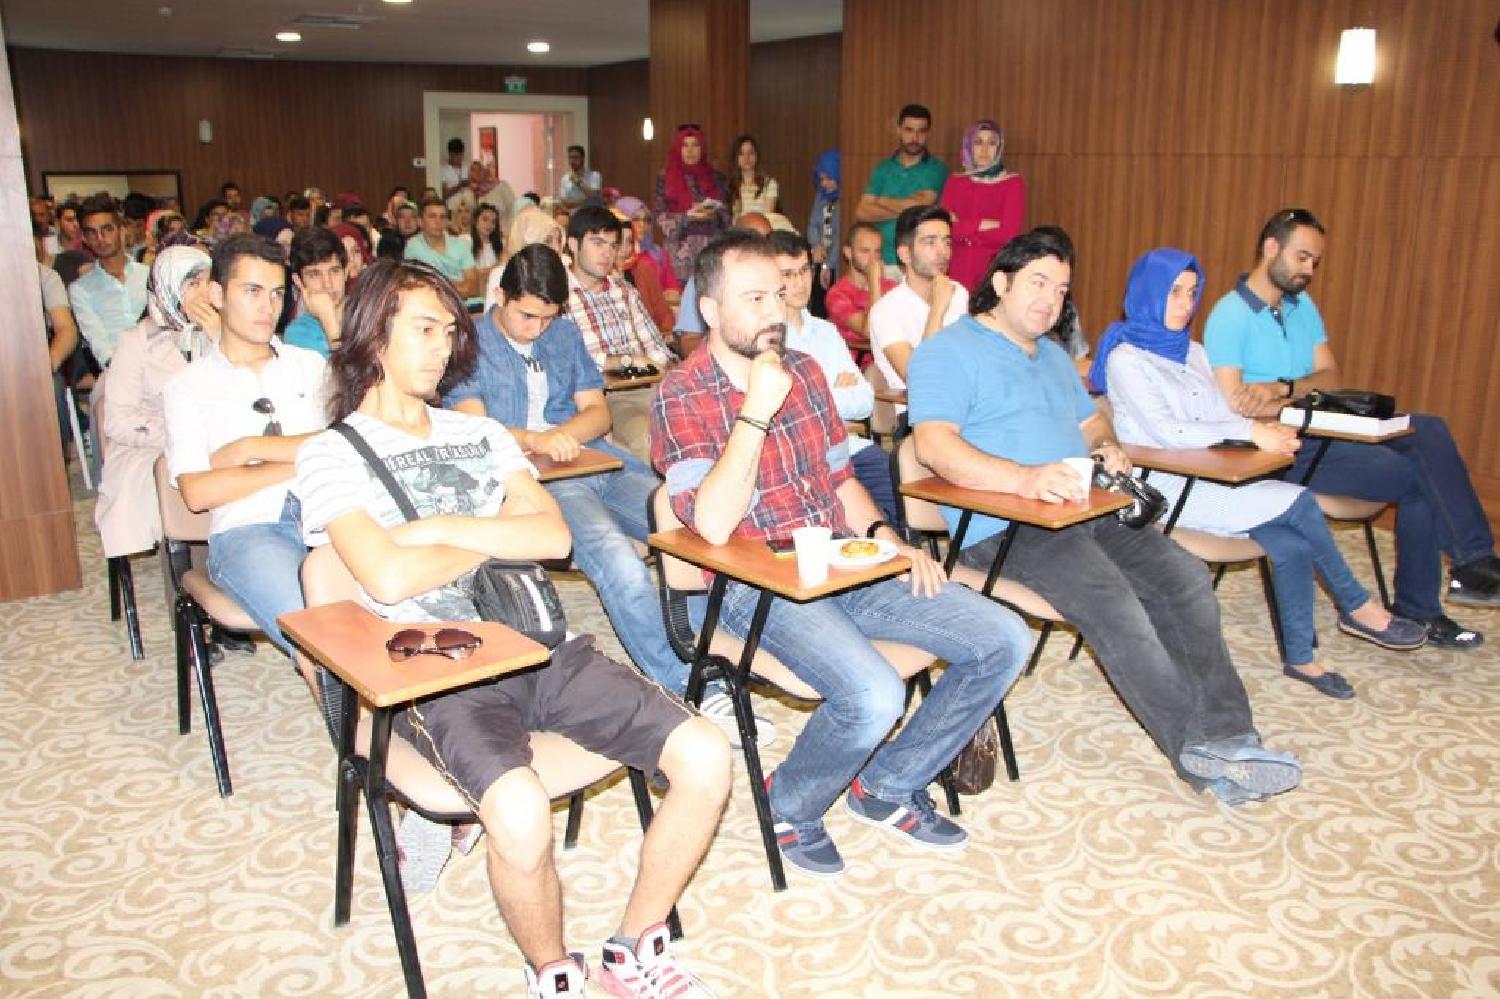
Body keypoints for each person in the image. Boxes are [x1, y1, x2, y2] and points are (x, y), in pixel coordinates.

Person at [296, 257, 729, 998]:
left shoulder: (482, 434)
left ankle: (634, 946)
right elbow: (386, 578)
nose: (443, 348)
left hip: (535, 643)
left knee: (707, 753)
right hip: (434, 672)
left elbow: (552, 538)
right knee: (522, 810)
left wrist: (432, 528)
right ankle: (553, 970)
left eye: (449, 331)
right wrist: (496, 531)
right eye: (424, 329)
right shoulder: (331, 452)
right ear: (373, 335)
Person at [651, 230, 1030, 876]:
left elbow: (840, 481)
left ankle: (887, 782)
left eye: (778, 294)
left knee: (1004, 637)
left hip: (842, 560)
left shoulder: (804, 370)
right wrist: (755, 412)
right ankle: (789, 804)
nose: (775, 311)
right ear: (710, 310)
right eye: (753, 298)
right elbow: (711, 525)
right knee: (875, 694)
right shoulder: (682, 393)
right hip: (755, 585)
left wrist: (890, 544)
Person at [909, 230, 1304, 805]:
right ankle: (1200, 752)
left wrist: (1106, 444)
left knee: (1186, 577)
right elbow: (933, 447)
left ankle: (1233, 736)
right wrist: (1023, 479)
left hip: (1083, 507)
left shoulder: (1052, 356)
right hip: (1003, 524)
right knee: (1117, 602)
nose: (1050, 300)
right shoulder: (947, 352)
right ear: (1001, 282)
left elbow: (1091, 420)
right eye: (1038, 283)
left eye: (1061, 289)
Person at [445, 243, 768, 745]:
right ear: (500, 297)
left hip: (594, 459)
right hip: (539, 480)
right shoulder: (470, 342)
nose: (537, 328)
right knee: (620, 562)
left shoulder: (563, 332)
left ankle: (719, 648)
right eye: (527, 316)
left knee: (693, 526)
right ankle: (689, 684)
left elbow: (598, 412)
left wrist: (565, 434)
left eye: (548, 317)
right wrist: (537, 440)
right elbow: (473, 429)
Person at [1095, 247, 1427, 699]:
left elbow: (1220, 416)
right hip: (1167, 484)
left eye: (1192, 293)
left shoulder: (1194, 352)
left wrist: (1265, 431)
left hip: (1213, 473)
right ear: (1148, 293)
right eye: (1174, 292)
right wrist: (1251, 432)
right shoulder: (1126, 358)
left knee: (1290, 542)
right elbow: (1168, 432)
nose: (1186, 304)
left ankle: (1302, 658)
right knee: (1300, 501)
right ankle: (1356, 606)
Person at [1204, 209, 1496, 646]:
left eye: (1315, 262)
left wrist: (1281, 388)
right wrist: (1291, 399)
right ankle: (1424, 606)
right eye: (1302, 257)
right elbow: (1237, 408)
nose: (1309, 270)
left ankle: (1473, 562)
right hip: (1279, 450)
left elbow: (1332, 378)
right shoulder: (1230, 315)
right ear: (1271, 248)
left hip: (1324, 428)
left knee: (1428, 430)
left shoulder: (1302, 307)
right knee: (1415, 476)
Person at [163, 235, 327, 657]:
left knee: (384, 603)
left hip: (331, 514)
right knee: (314, 633)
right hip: (250, 529)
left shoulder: (309, 366)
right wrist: (299, 461)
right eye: (252, 291)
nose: (267, 307)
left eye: (276, 294)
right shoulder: (188, 387)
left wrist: (248, 450)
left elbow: (345, 444)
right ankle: (344, 701)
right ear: (217, 295)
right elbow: (198, 492)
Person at [96, 246, 219, 560]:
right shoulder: (135, 342)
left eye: (209, 282)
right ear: (168, 289)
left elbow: (244, 393)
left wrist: (220, 341)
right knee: (170, 471)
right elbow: (119, 420)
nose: (204, 293)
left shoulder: (222, 334)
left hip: (218, 435)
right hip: (152, 442)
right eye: (193, 284)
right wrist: (180, 435)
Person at [768, 230, 896, 524]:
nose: (800, 282)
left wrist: (819, 396)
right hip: (803, 458)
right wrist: (835, 393)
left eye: (804, 270)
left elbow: (864, 401)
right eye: (787, 274)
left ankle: (889, 550)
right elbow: (790, 409)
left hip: (851, 448)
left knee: (891, 478)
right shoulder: (766, 337)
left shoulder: (826, 332)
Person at [562, 205, 677, 462]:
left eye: (612, 245)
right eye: (597, 243)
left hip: (653, 386)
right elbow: (572, 365)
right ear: (573, 244)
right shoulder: (559, 298)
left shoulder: (624, 291)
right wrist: (626, 362)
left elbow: (656, 350)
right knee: (649, 436)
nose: (607, 253)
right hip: (606, 396)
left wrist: (671, 373)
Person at [869, 205, 967, 403]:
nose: (943, 252)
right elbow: (921, 380)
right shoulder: (886, 310)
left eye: (947, 242)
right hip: (917, 412)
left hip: (964, 403)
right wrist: (937, 309)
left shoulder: (959, 293)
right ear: (905, 254)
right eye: (930, 242)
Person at [855, 104, 950, 272]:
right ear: (899, 130)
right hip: (882, 258)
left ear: (928, 133)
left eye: (921, 131)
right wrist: (909, 207)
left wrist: (881, 201)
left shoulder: (937, 169)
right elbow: (862, 211)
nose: (915, 137)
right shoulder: (883, 168)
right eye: (909, 130)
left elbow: (922, 206)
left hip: (918, 261)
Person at [940, 119, 1027, 292]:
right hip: (956, 269)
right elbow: (944, 229)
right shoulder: (955, 182)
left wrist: (963, 231)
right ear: (969, 147)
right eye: (978, 142)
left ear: (1000, 147)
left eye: (991, 143)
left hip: (993, 269)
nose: (985, 149)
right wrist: (981, 224)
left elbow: (1008, 234)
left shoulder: (1013, 184)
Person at [69, 195, 150, 367]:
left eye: (107, 229)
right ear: (84, 238)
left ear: (121, 231)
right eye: (92, 232)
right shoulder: (81, 289)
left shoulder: (149, 275)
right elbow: (98, 343)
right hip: (116, 369)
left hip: (160, 364)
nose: (100, 238)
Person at [654, 124, 730, 284]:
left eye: (695, 145)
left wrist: (711, 213)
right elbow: (660, 215)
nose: (690, 151)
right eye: (685, 145)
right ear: (678, 148)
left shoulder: (716, 177)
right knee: (680, 295)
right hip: (680, 250)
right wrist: (687, 215)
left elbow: (727, 215)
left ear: (702, 148)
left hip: (711, 247)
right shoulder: (665, 177)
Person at [823, 221, 897, 364]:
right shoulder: (837, 295)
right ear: (848, 253)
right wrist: (874, 284)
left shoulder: (892, 287)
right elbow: (870, 331)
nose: (873, 259)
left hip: (891, 360)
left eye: (877, 252)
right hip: (857, 366)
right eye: (865, 251)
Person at [283, 227, 349, 357]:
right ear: (298, 281)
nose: (327, 284)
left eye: (334, 271)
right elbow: (346, 369)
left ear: (346, 272)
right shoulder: (298, 334)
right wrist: (328, 319)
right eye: (315, 274)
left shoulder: (370, 319)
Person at [403, 198, 481, 299]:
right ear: (420, 221)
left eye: (442, 217)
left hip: (465, 303)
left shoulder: (460, 245)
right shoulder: (413, 246)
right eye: (432, 216)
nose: (438, 222)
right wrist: (456, 285)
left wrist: (438, 285)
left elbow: (473, 287)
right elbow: (414, 285)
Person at [615, 220, 675, 334]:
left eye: (629, 241)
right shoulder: (598, 277)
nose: (624, 248)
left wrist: (661, 334)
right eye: (618, 241)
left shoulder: (642, 269)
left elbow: (663, 313)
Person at [806, 150, 842, 291]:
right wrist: (816, 245)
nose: (824, 183)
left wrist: (828, 264)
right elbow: (813, 224)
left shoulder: (845, 200)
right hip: (820, 255)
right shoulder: (821, 196)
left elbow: (839, 236)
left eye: (829, 178)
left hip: (836, 261)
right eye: (821, 179)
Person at [727, 134, 779, 218]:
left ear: (756, 156)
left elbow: (768, 217)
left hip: (760, 225)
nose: (746, 157)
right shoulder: (730, 186)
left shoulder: (769, 184)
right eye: (741, 153)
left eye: (750, 153)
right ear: (736, 158)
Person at [559, 144, 602, 210]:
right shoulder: (565, 179)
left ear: (582, 158)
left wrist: (578, 182)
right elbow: (565, 203)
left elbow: (595, 197)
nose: (572, 161)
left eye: (575, 157)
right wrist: (587, 200)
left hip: (591, 214)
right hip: (574, 215)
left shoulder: (594, 176)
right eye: (570, 158)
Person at [471, 203, 504, 272]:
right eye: (485, 219)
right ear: (475, 221)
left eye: (493, 222)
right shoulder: (466, 242)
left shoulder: (500, 245)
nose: (489, 224)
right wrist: (498, 265)